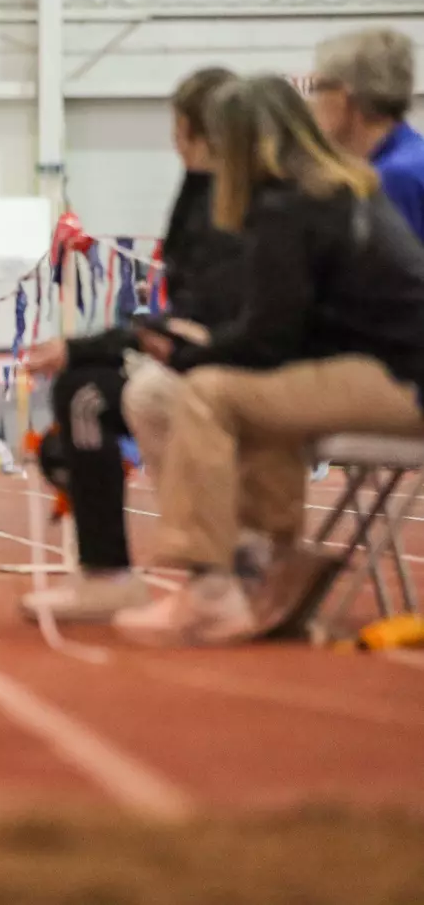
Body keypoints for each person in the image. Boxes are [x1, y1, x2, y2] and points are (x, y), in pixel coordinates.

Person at [113, 74, 424, 646]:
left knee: (211, 391)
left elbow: (268, 338)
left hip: (399, 380)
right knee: (244, 389)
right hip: (386, 368)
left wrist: (189, 353)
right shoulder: (336, 188)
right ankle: (267, 557)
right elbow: (279, 335)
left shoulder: (288, 206)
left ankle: (210, 589)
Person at [22, 67, 243, 623]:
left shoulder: (247, 199)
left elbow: (213, 313)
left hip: (234, 360)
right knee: (82, 390)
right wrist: (92, 348)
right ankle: (108, 575)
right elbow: (186, 311)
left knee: (98, 394)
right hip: (198, 346)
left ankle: (210, 574)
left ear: (193, 130)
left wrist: (86, 347)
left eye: (177, 126)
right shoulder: (199, 193)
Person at [309, 27, 424, 240]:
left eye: (316, 88)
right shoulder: (413, 155)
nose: (312, 103)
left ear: (343, 97)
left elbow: (396, 271)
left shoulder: (391, 178)